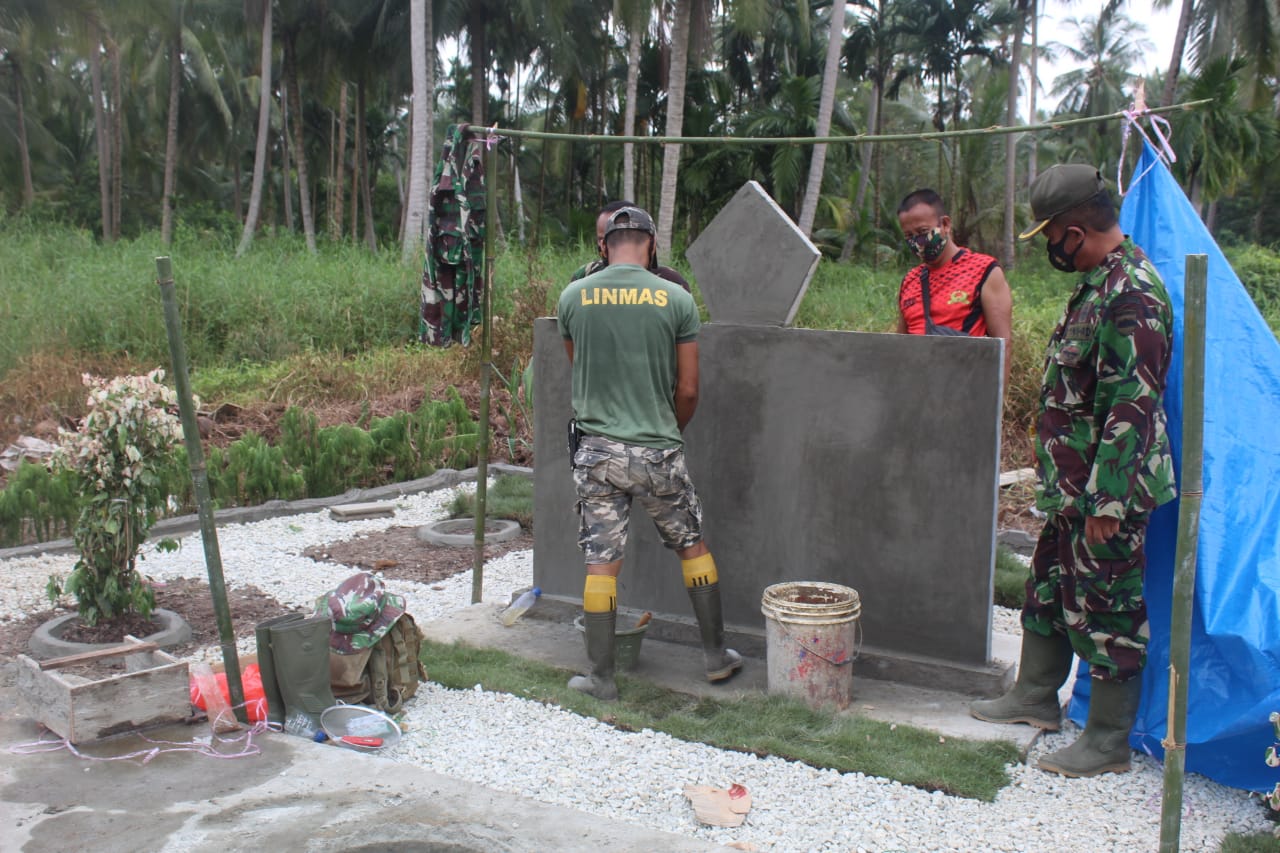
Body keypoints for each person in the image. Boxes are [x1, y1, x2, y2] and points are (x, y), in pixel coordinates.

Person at [969, 164, 1177, 778]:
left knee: (1108, 607)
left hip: (1105, 492)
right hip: (1072, 487)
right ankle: (1035, 696)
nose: (1052, 247)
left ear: (1076, 229)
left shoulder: (1133, 291)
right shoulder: (1097, 283)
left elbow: (1132, 406)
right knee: (1049, 589)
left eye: (1052, 234)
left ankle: (1108, 742)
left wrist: (1108, 504)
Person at [556, 205, 740, 700]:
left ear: (604, 246)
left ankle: (601, 678)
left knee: (601, 562)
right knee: (691, 546)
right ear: (651, 244)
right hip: (658, 450)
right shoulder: (676, 299)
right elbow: (688, 389)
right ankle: (715, 658)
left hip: (596, 453)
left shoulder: (573, 297)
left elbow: (582, 370)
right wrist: (666, 432)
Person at [896, 189, 1013, 387]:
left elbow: (1003, 347)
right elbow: (899, 346)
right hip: (916, 394)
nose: (918, 242)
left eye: (923, 232)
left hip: (963, 394)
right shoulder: (910, 280)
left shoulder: (983, 270)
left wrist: (994, 408)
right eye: (909, 235)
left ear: (945, 224)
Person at [570, 199, 692, 292]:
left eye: (621, 238)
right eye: (602, 239)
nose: (606, 246)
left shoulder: (670, 282)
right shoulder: (585, 276)